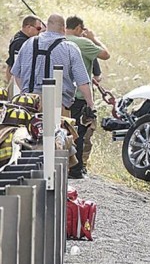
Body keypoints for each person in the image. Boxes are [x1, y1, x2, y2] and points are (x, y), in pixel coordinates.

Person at [10, 13, 95, 116]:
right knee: (61, 131)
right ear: (63, 29)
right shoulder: (70, 48)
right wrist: (91, 105)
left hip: (28, 105)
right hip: (57, 106)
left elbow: (16, 74)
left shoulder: (28, 43)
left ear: (46, 27)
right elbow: (82, 82)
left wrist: (25, 92)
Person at [66, 15, 111, 178]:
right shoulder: (83, 43)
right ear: (78, 28)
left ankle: (66, 166)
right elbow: (105, 54)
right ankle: (76, 168)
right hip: (80, 94)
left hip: (63, 94)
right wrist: (94, 38)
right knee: (79, 131)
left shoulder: (60, 40)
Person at [5, 15, 44, 93]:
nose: (39, 32)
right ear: (28, 27)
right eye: (38, 28)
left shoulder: (18, 37)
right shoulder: (21, 42)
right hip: (17, 82)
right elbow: (14, 66)